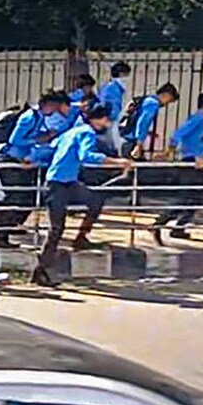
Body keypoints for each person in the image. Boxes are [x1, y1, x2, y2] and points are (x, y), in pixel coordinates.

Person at [32, 104, 134, 287]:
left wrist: (32, 159)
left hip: (67, 181)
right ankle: (40, 270)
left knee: (95, 200)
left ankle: (80, 239)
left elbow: (51, 147)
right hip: (59, 184)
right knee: (57, 228)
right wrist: (117, 162)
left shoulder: (72, 131)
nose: (107, 123)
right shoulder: (87, 133)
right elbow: (86, 156)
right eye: (105, 119)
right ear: (97, 119)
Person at [0, 91, 69, 248]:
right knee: (19, 197)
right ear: (48, 105)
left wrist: (45, 136)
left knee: (29, 197)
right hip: (10, 160)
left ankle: (8, 220)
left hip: (21, 161)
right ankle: (1, 232)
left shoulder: (39, 118)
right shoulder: (29, 117)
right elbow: (15, 140)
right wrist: (39, 139)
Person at [152, 92, 203, 244]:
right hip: (189, 161)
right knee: (187, 197)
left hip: (196, 161)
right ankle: (160, 222)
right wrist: (170, 151)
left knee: (195, 197)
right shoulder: (198, 118)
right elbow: (177, 134)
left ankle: (179, 227)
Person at [120, 83, 179, 160]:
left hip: (126, 138)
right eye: (169, 100)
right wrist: (139, 143)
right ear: (166, 95)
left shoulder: (146, 99)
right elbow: (143, 123)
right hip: (131, 141)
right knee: (134, 168)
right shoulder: (153, 103)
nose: (167, 104)